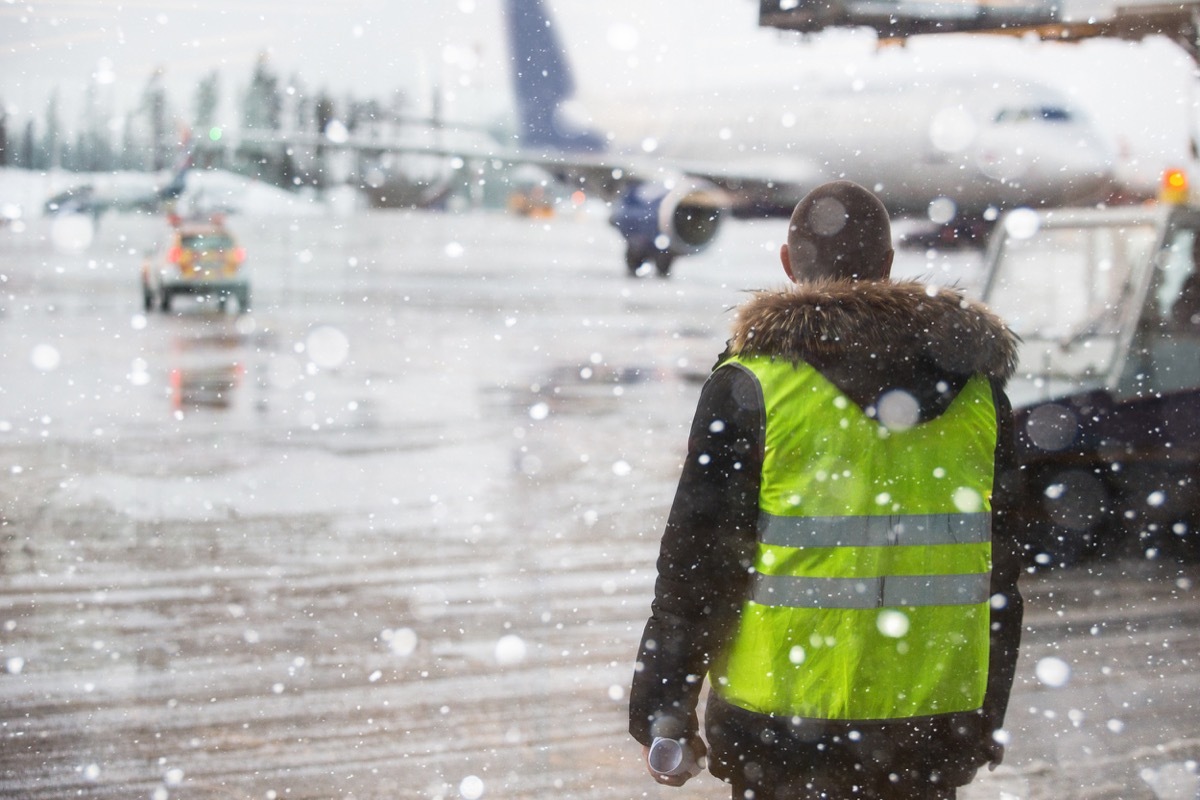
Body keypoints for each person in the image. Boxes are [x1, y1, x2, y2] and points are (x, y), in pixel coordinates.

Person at [629, 180, 1025, 800]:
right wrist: (985, 718)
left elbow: (696, 567)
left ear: (788, 265)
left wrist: (664, 707)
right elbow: (1002, 578)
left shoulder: (750, 389)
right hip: (928, 727)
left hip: (782, 731)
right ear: (889, 267)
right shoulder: (982, 399)